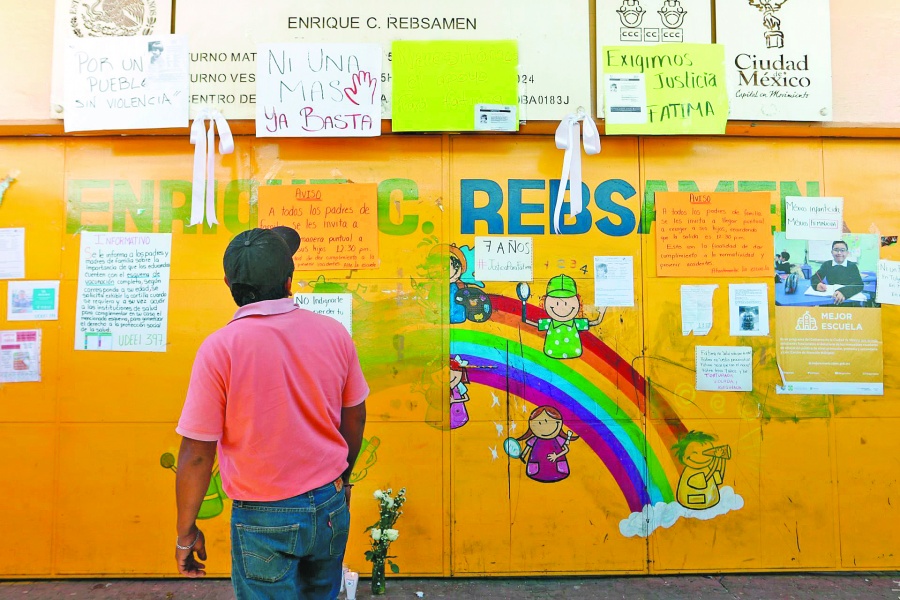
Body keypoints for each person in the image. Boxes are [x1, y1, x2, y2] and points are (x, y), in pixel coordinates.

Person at [173, 227, 368, 599]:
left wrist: (186, 533)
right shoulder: (333, 332)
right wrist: (342, 478)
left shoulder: (220, 348)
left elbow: (197, 454)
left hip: (261, 516)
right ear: (289, 281)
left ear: (228, 282)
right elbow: (355, 416)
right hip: (328, 503)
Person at [812, 240, 864, 304]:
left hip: (848, 300)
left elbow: (859, 284)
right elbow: (815, 277)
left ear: (847, 253)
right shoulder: (827, 264)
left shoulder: (852, 266)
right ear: (832, 252)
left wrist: (844, 292)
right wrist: (817, 284)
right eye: (836, 250)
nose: (839, 253)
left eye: (842, 250)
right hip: (830, 299)